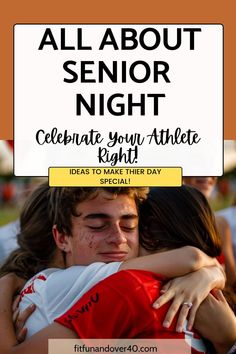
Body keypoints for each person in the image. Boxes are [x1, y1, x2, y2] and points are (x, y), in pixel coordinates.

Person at [0, 185, 234, 354]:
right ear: (61, 238)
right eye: (97, 226)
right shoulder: (128, 286)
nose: (118, 238)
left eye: (130, 225)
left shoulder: (131, 286)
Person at [183, 176, 236, 291]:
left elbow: (231, 277)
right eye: (199, 167)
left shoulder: (220, 223)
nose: (207, 174)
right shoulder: (167, 220)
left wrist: (210, 275)